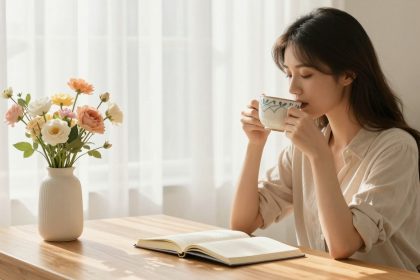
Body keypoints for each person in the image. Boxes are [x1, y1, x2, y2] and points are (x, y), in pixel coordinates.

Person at [230, 7, 420, 272]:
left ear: (348, 75)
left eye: (306, 74)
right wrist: (255, 145)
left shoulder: (396, 149)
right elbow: (242, 224)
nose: (293, 89)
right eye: (289, 74)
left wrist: (319, 156)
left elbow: (342, 246)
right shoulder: (304, 148)